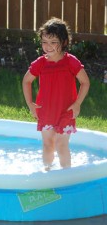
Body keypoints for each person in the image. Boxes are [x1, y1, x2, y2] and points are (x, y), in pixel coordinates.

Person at [22, 17, 90, 170]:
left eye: (53, 42)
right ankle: (47, 173)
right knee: (48, 145)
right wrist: (30, 104)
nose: (48, 46)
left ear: (64, 42)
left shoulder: (71, 62)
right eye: (45, 42)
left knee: (61, 144)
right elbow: (26, 81)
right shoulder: (40, 63)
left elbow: (85, 82)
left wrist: (77, 103)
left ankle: (66, 175)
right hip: (45, 111)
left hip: (67, 111)